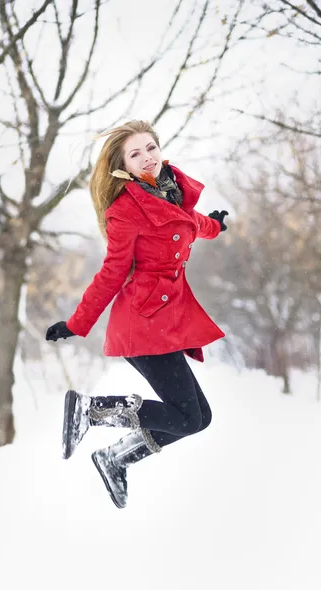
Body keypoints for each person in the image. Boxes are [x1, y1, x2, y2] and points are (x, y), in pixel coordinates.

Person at [46, 120, 228, 509]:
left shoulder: (170, 195)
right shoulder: (126, 211)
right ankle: (90, 411)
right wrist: (77, 323)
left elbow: (193, 224)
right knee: (186, 418)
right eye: (136, 153)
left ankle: (115, 457)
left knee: (199, 418)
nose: (147, 157)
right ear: (123, 166)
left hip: (166, 323)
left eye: (151, 147)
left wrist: (216, 225)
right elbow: (112, 272)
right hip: (143, 324)